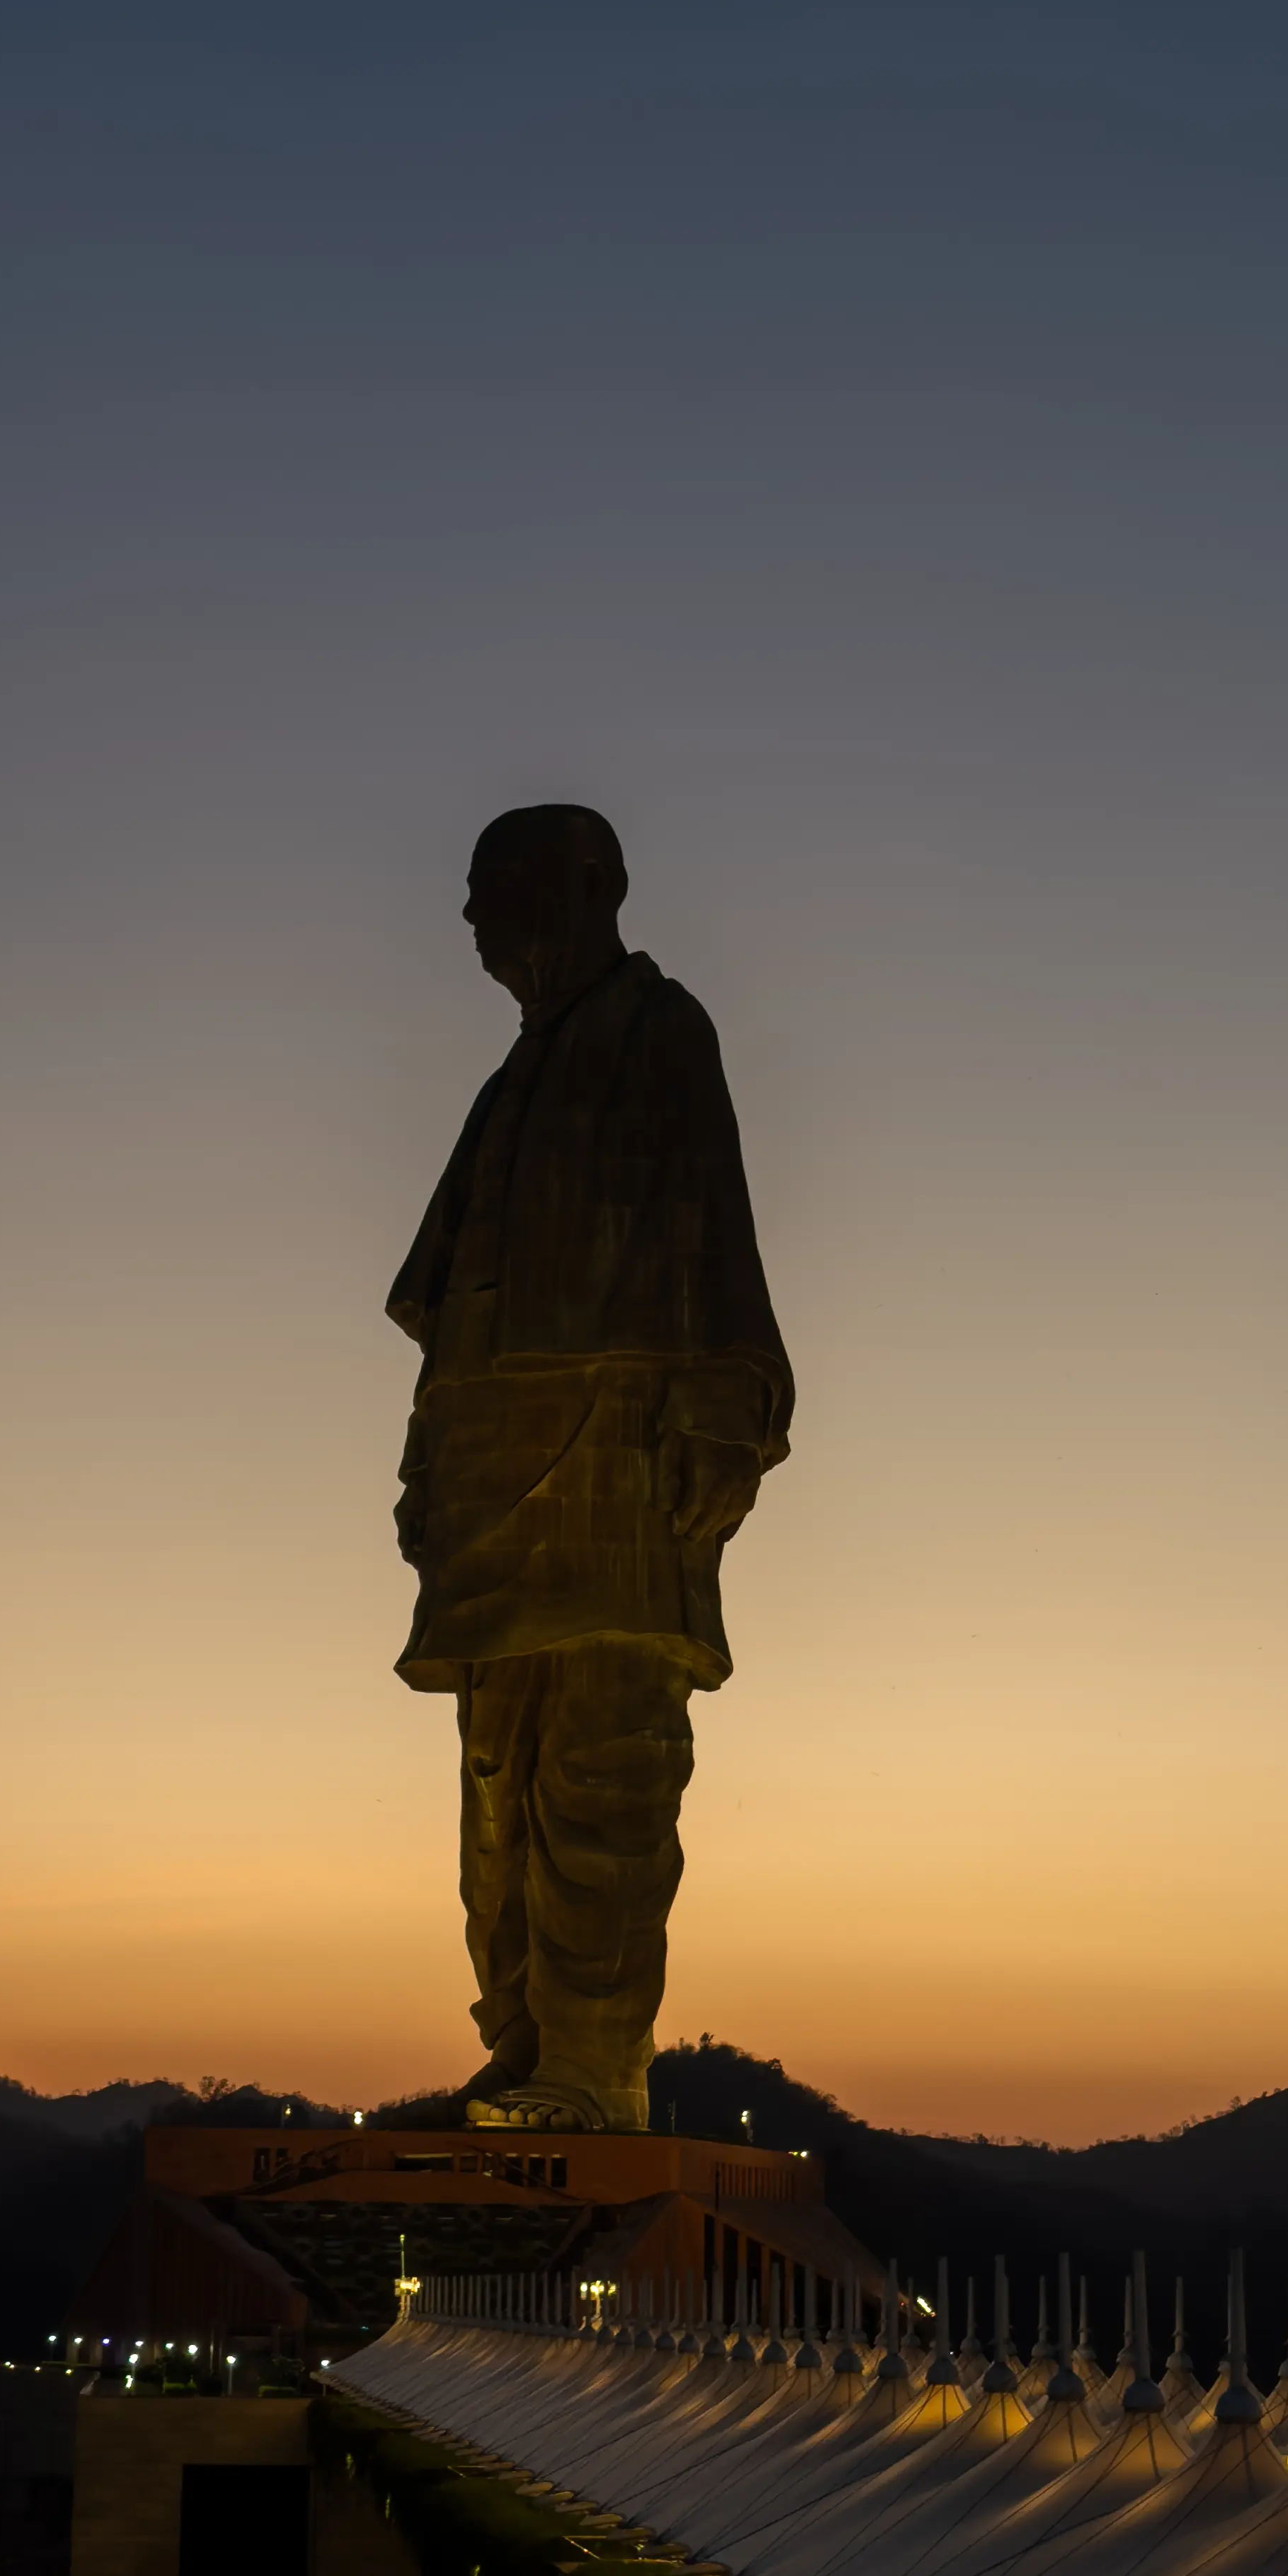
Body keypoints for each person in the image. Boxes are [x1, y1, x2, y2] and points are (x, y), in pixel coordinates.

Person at [387, 804, 792, 2132]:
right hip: (493, 1476)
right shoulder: (510, 1086)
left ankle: (592, 2068)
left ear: (585, 887)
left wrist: (725, 1409)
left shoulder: (658, 1034)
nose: (470, 923)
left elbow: (714, 1230)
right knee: (497, 1789)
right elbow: (448, 1311)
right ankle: (523, 2041)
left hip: (616, 1459)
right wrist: (423, 1461)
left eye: (491, 889)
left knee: (607, 1769)